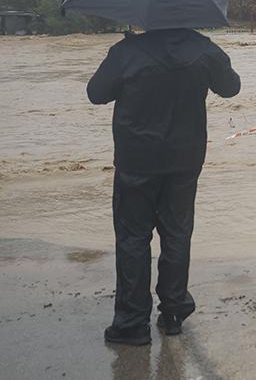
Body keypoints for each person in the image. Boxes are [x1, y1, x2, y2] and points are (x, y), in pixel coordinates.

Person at [87, 27, 240, 346]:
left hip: (136, 160)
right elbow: (231, 87)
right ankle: (173, 312)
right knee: (177, 233)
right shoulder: (203, 49)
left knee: (132, 237)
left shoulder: (126, 52)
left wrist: (127, 53)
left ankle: (132, 323)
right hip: (184, 159)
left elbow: (96, 93)